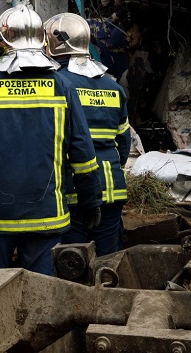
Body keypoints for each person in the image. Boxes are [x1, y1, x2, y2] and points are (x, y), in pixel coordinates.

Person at [0, 4, 101, 275]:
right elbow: (82, 153)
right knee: (43, 298)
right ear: (42, 41)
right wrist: (92, 200)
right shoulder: (62, 87)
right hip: (47, 218)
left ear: (0, 43)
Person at [44, 13, 131, 256]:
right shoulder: (114, 87)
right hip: (112, 188)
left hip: (73, 189)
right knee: (109, 259)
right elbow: (124, 143)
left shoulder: (55, 84)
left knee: (73, 261)